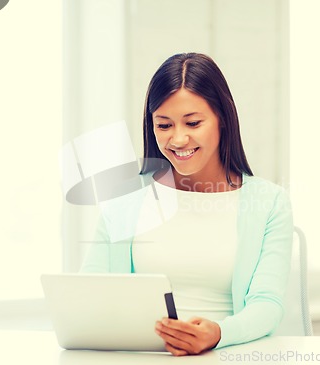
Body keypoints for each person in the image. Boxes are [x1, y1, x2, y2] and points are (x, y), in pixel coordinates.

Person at [81, 53, 293, 356]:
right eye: (164, 125)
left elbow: (267, 305)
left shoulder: (269, 203)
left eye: (193, 122)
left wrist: (218, 334)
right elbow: (90, 292)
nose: (178, 139)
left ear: (223, 118)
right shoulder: (125, 200)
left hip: (228, 354)